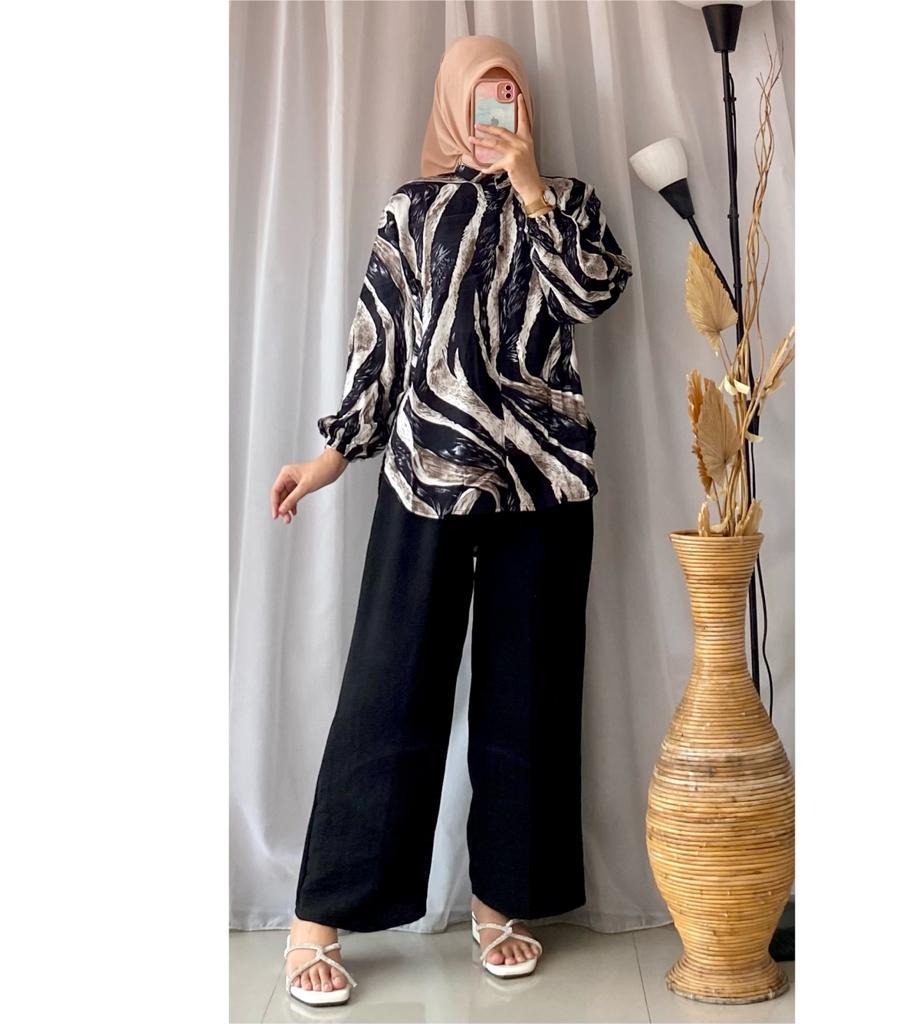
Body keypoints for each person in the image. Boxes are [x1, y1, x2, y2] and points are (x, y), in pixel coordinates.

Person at [269, 34, 633, 1007]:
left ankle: (500, 901)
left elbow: (594, 293)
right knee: (390, 688)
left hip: (545, 483)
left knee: (530, 693)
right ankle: (318, 917)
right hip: (427, 476)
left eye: (507, 97)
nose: (493, 116)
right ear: (450, 108)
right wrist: (328, 457)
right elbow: (380, 346)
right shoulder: (414, 209)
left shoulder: (567, 202)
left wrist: (532, 190)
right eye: (479, 100)